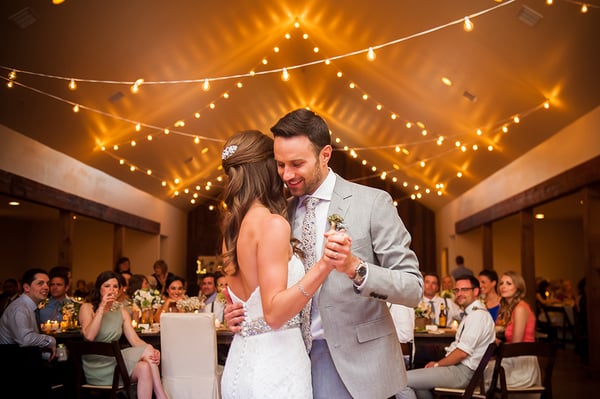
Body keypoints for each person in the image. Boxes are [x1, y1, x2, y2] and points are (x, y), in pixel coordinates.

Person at [225, 109, 423, 399]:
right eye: (280, 165)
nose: (287, 174)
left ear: (325, 154)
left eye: (297, 164)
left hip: (361, 364)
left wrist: (356, 267)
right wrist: (245, 314)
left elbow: (413, 288)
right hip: (294, 361)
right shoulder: (280, 213)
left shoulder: (372, 203)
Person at [219, 130, 339, 399]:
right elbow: (273, 314)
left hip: (241, 363)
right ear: (266, 168)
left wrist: (235, 312)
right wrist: (324, 265)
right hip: (276, 367)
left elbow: (250, 301)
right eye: (278, 163)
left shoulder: (231, 231)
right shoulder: (272, 224)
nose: (284, 172)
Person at [396, 275, 496, 399]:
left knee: (399, 381)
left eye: (464, 289)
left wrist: (438, 364)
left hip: (463, 373)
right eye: (457, 290)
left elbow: (462, 353)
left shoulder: (478, 316)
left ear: (475, 291)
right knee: (419, 384)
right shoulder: (472, 313)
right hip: (459, 368)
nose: (459, 293)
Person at [78, 271, 168, 399]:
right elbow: (89, 336)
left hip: (116, 365)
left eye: (115, 286)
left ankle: (160, 396)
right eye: (107, 286)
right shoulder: (87, 307)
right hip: (97, 367)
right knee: (147, 352)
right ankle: (161, 396)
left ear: (120, 290)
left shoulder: (120, 309)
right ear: (99, 288)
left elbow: (135, 341)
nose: (112, 289)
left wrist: (152, 351)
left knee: (144, 367)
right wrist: (102, 307)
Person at [490, 271, 540, 390]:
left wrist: (498, 342)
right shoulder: (511, 308)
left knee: (479, 371)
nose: (503, 286)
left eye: (508, 283)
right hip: (515, 358)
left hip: (521, 364)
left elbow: (516, 346)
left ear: (518, 287)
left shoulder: (520, 309)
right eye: (501, 283)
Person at [0, 268, 56, 356]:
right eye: (40, 283)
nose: (46, 287)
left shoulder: (29, 306)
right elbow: (25, 339)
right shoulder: (19, 308)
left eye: (47, 284)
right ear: (26, 287)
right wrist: (51, 340)